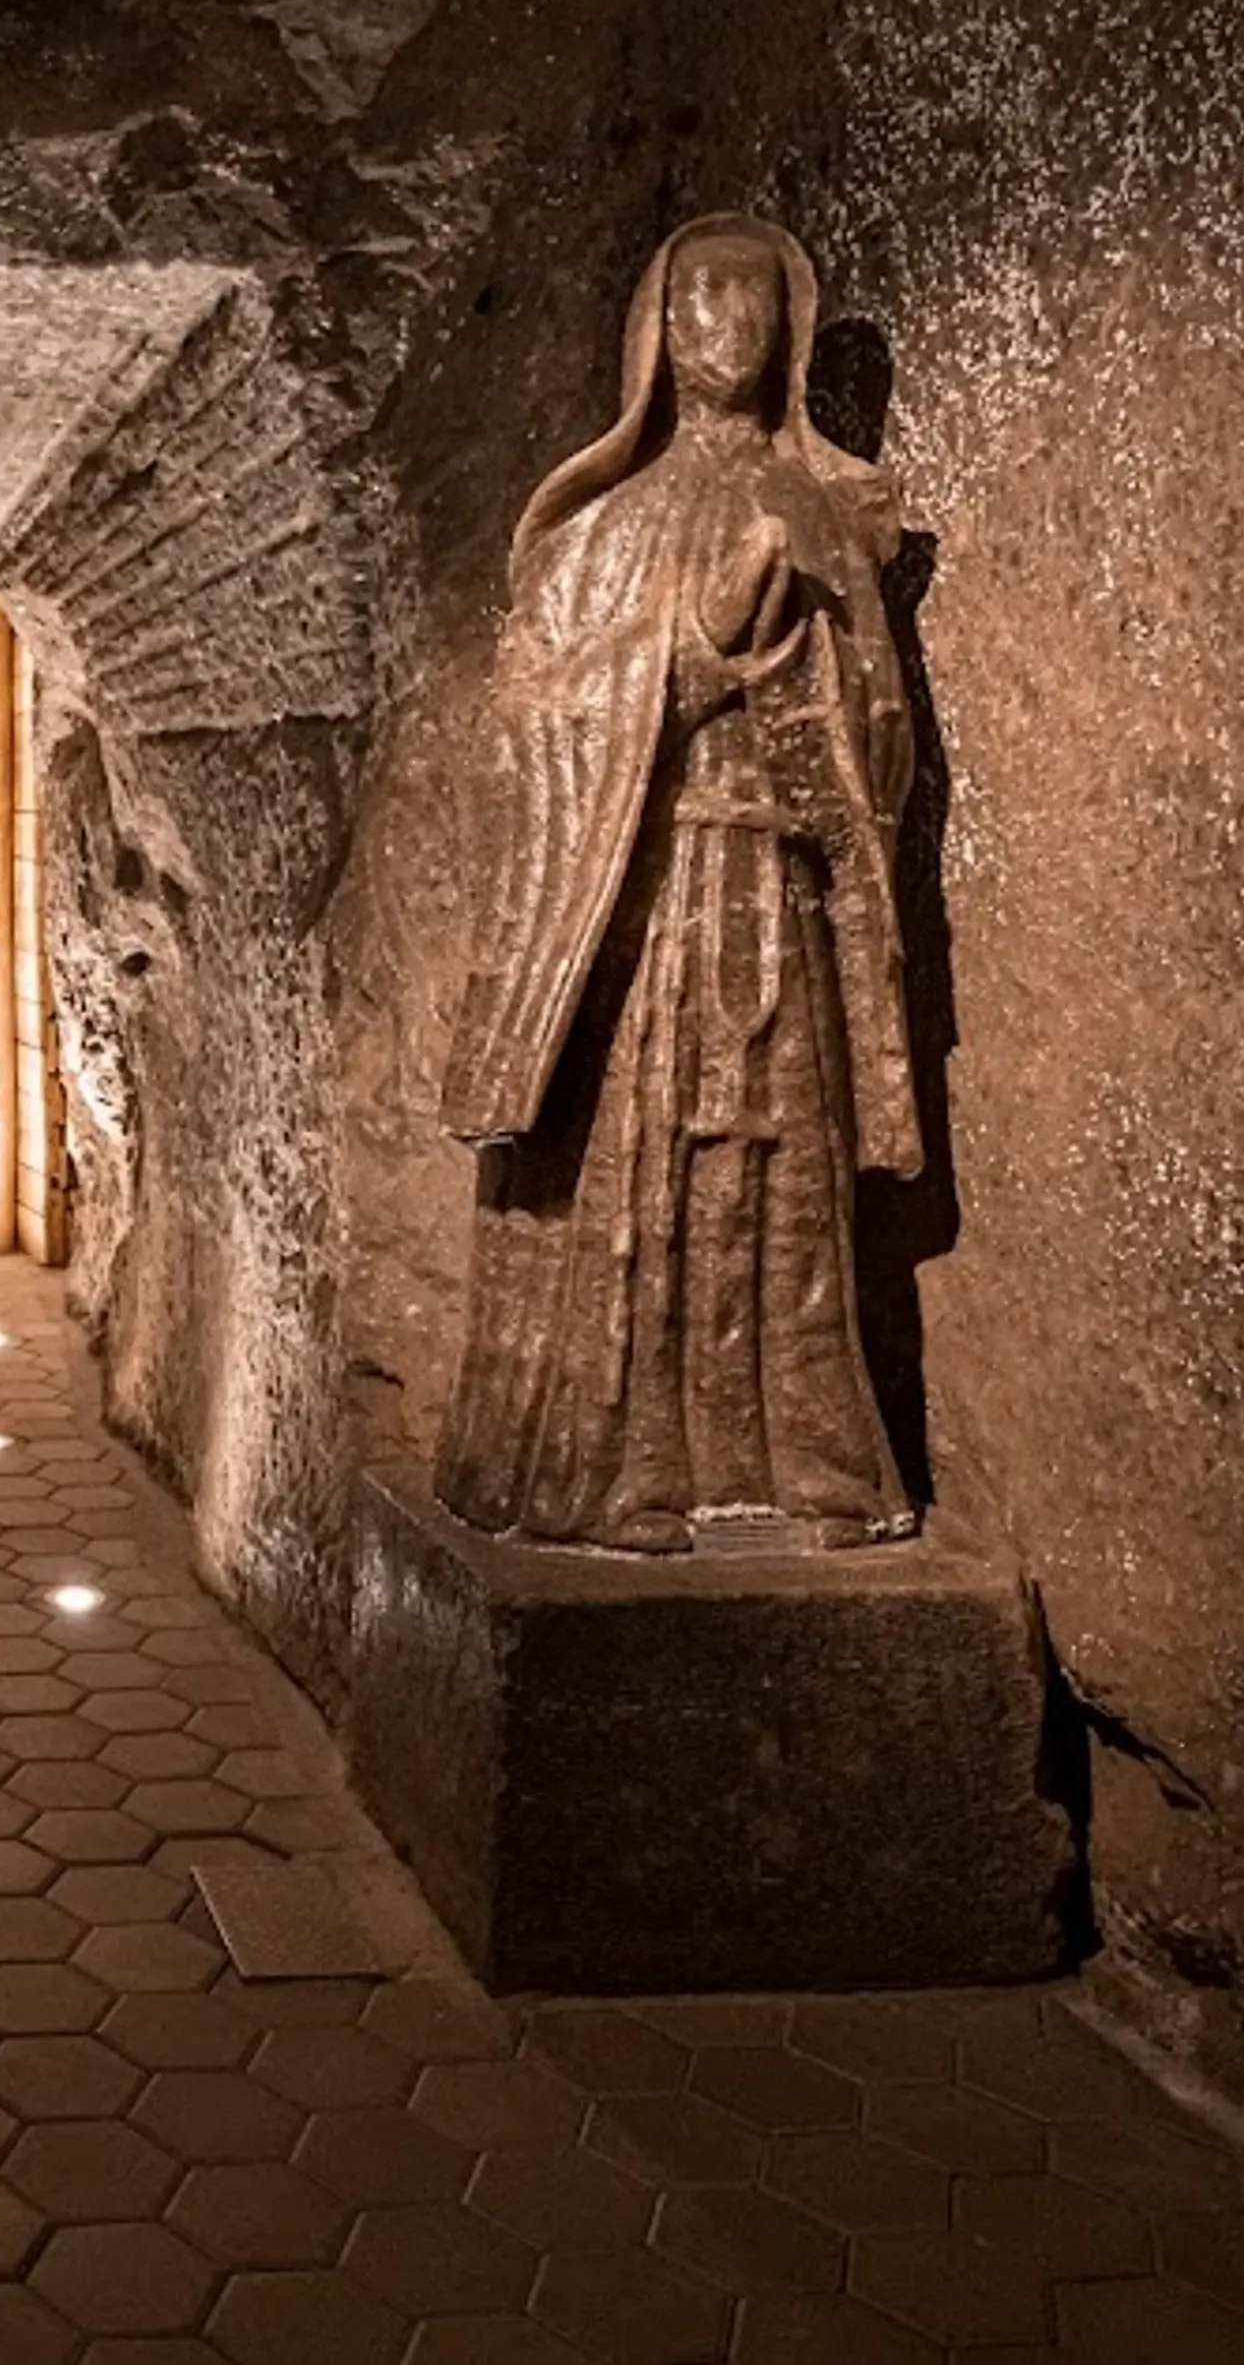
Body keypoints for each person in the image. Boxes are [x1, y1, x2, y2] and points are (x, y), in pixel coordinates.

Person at [435, 215, 920, 1553]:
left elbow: (882, 728)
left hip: (778, 883)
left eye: (758, 307)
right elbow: (531, 717)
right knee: (644, 1169)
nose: (733, 329)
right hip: (646, 903)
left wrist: (821, 699)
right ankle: (622, 1468)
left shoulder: (824, 513)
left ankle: (814, 1460)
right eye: (703, 304)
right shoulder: (603, 530)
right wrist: (680, 668)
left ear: (790, 336)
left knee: (787, 1176)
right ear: (657, 332)